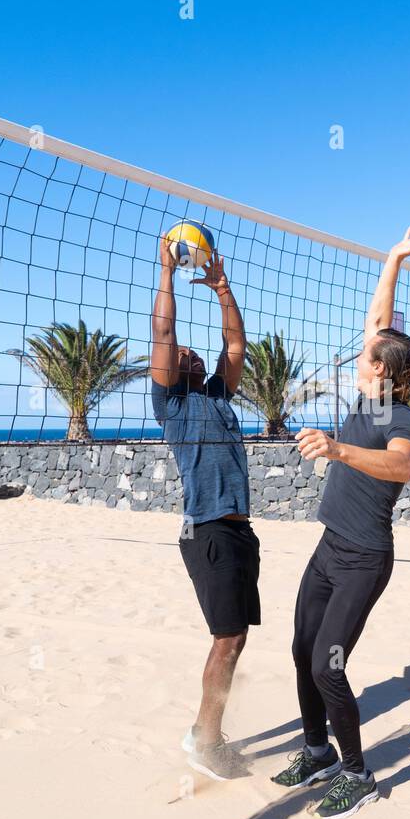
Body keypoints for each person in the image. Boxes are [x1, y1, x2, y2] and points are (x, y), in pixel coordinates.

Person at [271, 224, 410, 819]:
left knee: (326, 664)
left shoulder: (401, 417)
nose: (358, 354)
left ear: (383, 373)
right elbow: (379, 322)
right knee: (300, 649)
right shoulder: (368, 395)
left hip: (366, 558)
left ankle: (358, 772)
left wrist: (337, 451)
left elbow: (402, 467)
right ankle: (317, 752)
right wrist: (392, 258)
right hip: (329, 547)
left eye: (366, 357)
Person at [151, 238, 257, 781]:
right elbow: (164, 334)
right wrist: (167, 271)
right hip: (207, 530)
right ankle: (204, 740)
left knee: (237, 637)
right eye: (181, 355)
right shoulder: (170, 404)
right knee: (227, 637)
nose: (186, 352)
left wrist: (221, 289)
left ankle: (207, 732)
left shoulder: (218, 395)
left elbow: (236, 346)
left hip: (239, 531)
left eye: (194, 352)